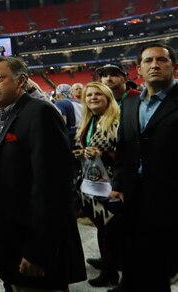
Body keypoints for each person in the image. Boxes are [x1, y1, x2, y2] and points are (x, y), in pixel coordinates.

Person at [0, 56, 86, 291]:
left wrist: (39, 251)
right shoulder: (4, 114)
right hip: (12, 242)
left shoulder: (40, 113)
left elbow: (51, 187)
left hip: (32, 247)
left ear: (21, 81)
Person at [112, 43, 178, 292]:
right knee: (132, 249)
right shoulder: (129, 104)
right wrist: (118, 184)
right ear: (138, 69)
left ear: (173, 65)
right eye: (148, 61)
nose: (155, 65)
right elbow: (124, 147)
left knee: (160, 264)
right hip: (134, 193)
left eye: (162, 60)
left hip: (170, 197)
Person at [72, 82, 123, 288]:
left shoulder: (118, 122)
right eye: (89, 94)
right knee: (103, 229)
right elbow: (85, 148)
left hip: (111, 187)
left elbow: (128, 154)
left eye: (97, 94)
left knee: (111, 231)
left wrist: (105, 155)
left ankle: (111, 272)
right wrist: (80, 153)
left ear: (108, 98)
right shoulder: (89, 120)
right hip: (91, 184)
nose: (92, 97)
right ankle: (108, 261)